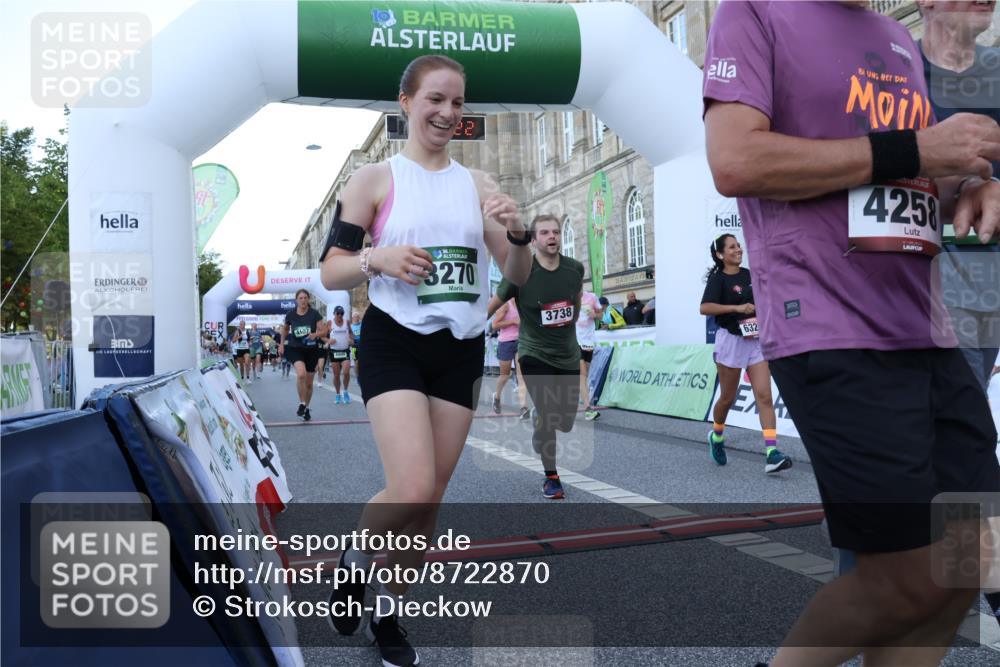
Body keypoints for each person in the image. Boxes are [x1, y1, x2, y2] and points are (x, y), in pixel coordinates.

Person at [704, 2, 1000, 665]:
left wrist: (970, 188)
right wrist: (916, 147)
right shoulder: (753, 12)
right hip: (829, 325)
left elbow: (910, 178)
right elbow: (735, 160)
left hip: (927, 327)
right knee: (905, 576)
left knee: (969, 558)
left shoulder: (895, 36)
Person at [318, 54, 531, 667]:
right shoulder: (372, 180)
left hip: (459, 347)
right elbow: (331, 270)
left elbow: (516, 274)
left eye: (457, 102)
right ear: (406, 102)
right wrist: (376, 260)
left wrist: (518, 234)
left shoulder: (479, 185)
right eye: (435, 99)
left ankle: (388, 614)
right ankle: (355, 560)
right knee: (410, 485)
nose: (447, 112)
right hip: (394, 339)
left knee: (428, 501)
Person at [492, 213, 584, 500]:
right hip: (533, 353)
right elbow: (493, 305)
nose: (552, 236)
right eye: (544, 232)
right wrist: (461, 331)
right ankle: (551, 476)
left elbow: (576, 303)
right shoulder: (520, 272)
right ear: (533, 240)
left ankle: (540, 418)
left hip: (567, 354)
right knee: (548, 414)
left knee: (565, 422)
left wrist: (566, 331)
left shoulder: (574, 268)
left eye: (555, 231)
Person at [700, 233, 792, 474]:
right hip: (731, 342)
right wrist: (737, 307)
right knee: (727, 398)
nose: (738, 249)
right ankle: (717, 435)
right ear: (720, 254)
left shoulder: (749, 274)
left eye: (738, 245)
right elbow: (705, 308)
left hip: (755, 341)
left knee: (764, 396)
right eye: (732, 247)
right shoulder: (718, 279)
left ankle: (772, 453)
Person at [277, 289, 327, 422]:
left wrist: (315, 334)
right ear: (296, 300)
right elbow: (285, 330)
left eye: (305, 298)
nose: (303, 300)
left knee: (309, 384)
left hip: (311, 350)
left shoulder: (314, 314)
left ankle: (306, 408)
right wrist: (281, 344)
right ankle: (302, 403)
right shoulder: (291, 314)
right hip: (295, 349)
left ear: (308, 299)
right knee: (301, 374)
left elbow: (324, 331)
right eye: (300, 298)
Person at [484, 295, 529, 419]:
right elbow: (494, 325)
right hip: (506, 342)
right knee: (505, 375)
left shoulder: (523, 304)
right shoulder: (505, 305)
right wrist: (513, 321)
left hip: (521, 341)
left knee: (521, 376)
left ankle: (523, 407)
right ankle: (497, 396)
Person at [576, 289, 604, 421]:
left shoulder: (592, 297)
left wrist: (595, 314)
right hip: (574, 340)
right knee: (582, 374)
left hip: (588, 340)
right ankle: (588, 409)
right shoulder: (568, 297)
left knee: (584, 375)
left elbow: (601, 315)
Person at [327, 305, 354, 404]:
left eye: (341, 313)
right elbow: (323, 335)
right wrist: (328, 341)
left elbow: (351, 333)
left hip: (345, 350)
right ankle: (338, 394)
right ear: (334, 314)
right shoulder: (330, 323)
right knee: (336, 375)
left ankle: (345, 391)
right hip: (334, 352)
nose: (339, 315)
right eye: (337, 313)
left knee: (346, 373)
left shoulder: (347, 322)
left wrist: (351, 340)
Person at [350, 311, 363, 380]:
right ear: (353, 318)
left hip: (361, 344)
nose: (356, 318)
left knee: (361, 361)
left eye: (357, 317)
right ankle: (357, 377)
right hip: (354, 346)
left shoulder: (362, 325)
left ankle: (361, 375)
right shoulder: (351, 327)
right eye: (355, 317)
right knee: (356, 361)